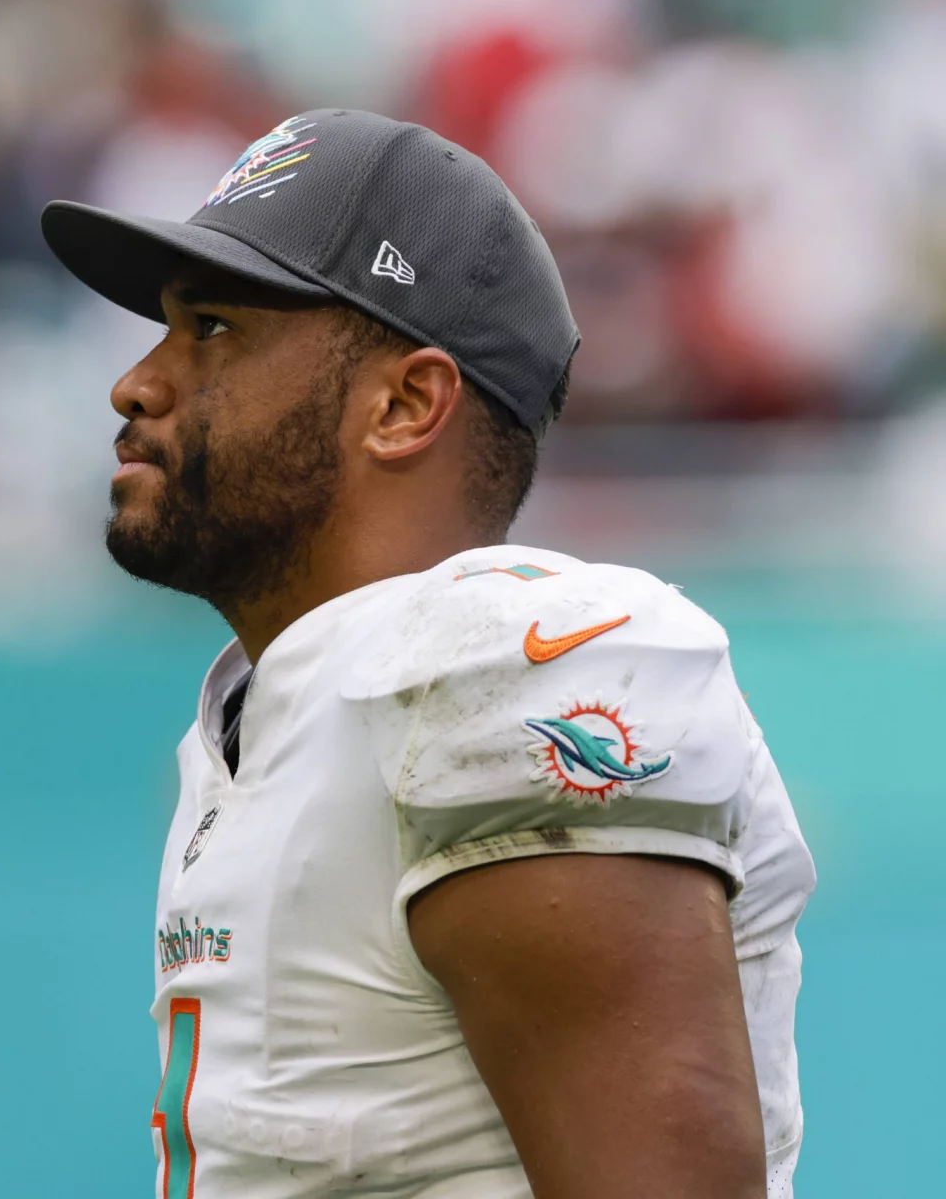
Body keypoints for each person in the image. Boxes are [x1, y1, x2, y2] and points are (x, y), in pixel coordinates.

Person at [40, 109, 815, 1198]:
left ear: (405, 406)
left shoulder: (500, 664)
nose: (138, 381)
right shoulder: (263, 714)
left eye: (211, 328)